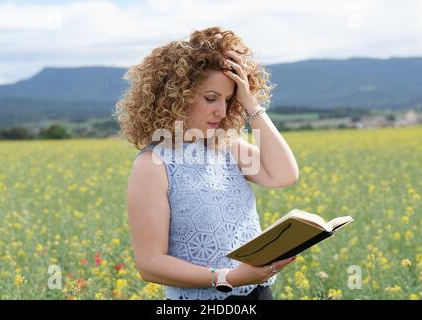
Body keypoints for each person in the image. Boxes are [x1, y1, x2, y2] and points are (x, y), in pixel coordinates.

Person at [114, 26, 300, 300]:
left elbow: (284, 175)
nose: (221, 111)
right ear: (175, 97)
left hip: (259, 294)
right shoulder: (153, 164)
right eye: (211, 98)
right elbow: (150, 264)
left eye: (228, 99)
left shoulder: (227, 146)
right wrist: (227, 278)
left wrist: (249, 102)